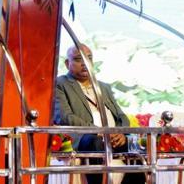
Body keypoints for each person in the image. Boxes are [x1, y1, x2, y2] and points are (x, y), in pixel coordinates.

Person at [54, 44, 144, 184]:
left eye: (89, 58)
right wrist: (100, 132)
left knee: (137, 147)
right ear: (67, 63)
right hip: (86, 137)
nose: (85, 64)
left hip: (113, 137)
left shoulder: (103, 87)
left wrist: (119, 133)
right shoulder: (60, 84)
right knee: (95, 142)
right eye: (79, 59)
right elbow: (65, 117)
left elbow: (121, 116)